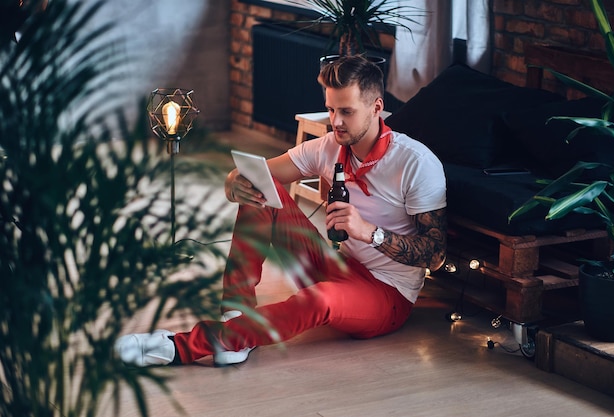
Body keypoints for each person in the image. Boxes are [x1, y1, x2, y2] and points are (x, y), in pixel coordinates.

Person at [114, 55, 447, 367]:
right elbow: (256, 173)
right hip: (338, 265)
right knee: (262, 185)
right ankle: (237, 317)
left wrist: (369, 232)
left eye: (346, 112)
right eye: (330, 110)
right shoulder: (331, 145)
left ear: (377, 107)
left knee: (318, 300)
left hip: (386, 294)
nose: (336, 122)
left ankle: (178, 347)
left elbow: (435, 256)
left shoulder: (415, 163)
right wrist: (234, 182)